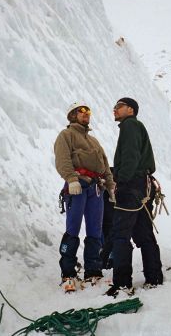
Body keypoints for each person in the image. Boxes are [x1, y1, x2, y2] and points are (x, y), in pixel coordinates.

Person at [54, 101, 115, 293]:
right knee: (72, 229)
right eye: (82, 111)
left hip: (96, 188)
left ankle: (93, 270)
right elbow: (62, 159)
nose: (86, 113)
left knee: (95, 230)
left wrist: (111, 186)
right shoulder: (66, 135)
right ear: (72, 115)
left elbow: (104, 164)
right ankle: (68, 272)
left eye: (88, 111)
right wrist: (71, 179)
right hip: (78, 186)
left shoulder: (94, 141)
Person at [105, 98, 163, 297]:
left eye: (118, 106)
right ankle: (154, 277)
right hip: (143, 186)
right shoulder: (136, 126)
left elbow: (130, 156)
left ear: (130, 110)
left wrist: (121, 181)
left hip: (131, 187)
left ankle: (122, 284)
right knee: (144, 234)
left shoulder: (129, 125)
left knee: (120, 235)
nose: (115, 109)